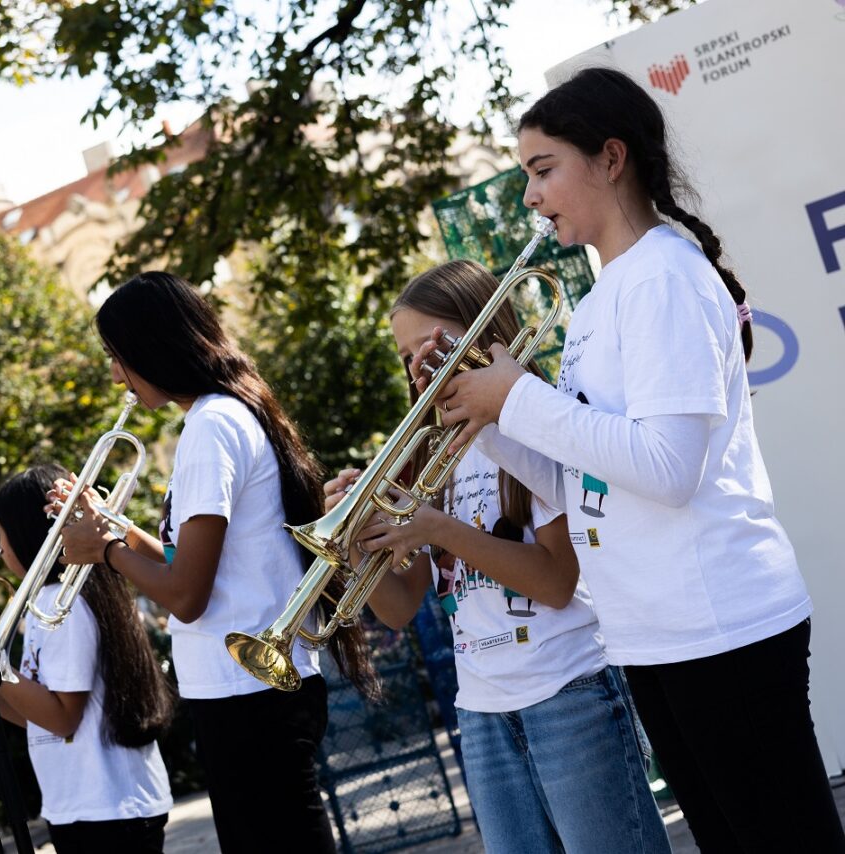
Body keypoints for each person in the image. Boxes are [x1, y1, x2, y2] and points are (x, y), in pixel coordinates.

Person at [421, 67, 845, 851]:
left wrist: (517, 397)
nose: (530, 198)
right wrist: (485, 419)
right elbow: (593, 483)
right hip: (656, 633)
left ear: (611, 158)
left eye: (543, 171)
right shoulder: (606, 295)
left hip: (722, 627)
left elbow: (667, 469)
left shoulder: (664, 278)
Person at [326, 260, 670, 854]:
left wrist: (441, 529)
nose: (419, 366)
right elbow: (401, 608)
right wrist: (359, 543)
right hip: (482, 711)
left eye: (432, 344)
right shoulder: (431, 451)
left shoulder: (538, 423)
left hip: (570, 691)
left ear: (485, 330)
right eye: (407, 355)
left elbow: (559, 582)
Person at [56, 271, 379, 854]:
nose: (114, 374)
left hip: (246, 693)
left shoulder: (209, 425)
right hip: (244, 686)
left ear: (151, 348)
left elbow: (186, 595)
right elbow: (194, 565)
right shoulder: (223, 415)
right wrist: (118, 528)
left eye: (116, 355)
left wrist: (102, 550)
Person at [0, 464, 174, 853]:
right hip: (86, 805)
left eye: (1, 535)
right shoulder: (46, 602)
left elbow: (63, 717)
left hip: (107, 807)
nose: (0, 549)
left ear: (26, 535)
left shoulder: (62, 604)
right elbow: (39, 720)